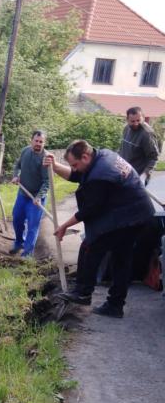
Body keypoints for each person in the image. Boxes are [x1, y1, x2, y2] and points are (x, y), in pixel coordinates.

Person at [46, 140, 155, 318]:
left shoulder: (101, 175)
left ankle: (83, 292)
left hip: (129, 217)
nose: (74, 168)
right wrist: (55, 166)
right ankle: (115, 305)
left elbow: (90, 210)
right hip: (139, 213)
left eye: (75, 164)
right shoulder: (102, 156)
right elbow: (77, 175)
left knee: (90, 246)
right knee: (121, 258)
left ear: (85, 156)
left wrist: (64, 226)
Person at [9, 130, 50, 258]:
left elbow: (47, 182)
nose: (38, 143)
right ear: (31, 140)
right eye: (36, 141)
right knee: (17, 219)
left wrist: (39, 196)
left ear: (44, 143)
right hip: (23, 194)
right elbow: (18, 165)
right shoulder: (25, 151)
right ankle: (19, 243)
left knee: (33, 225)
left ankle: (27, 254)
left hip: (36, 198)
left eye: (41, 142)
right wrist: (16, 175)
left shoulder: (45, 159)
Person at [119, 106, 159, 186]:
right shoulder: (126, 128)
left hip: (137, 177)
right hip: (124, 173)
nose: (136, 123)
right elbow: (122, 149)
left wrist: (145, 175)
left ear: (143, 118)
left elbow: (153, 157)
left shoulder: (146, 134)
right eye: (132, 121)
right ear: (127, 120)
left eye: (138, 120)